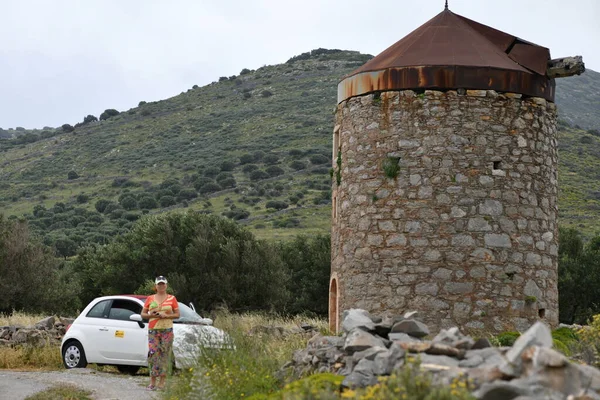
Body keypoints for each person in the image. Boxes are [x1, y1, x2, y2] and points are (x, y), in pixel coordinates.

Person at [141, 275, 180, 391]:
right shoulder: (150, 298)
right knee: (153, 354)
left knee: (165, 355)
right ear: (155, 286)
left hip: (167, 329)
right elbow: (143, 314)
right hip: (153, 329)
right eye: (159, 284)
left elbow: (177, 315)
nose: (161, 286)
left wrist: (167, 315)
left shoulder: (172, 298)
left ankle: (162, 382)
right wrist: (151, 315)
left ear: (166, 286)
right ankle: (152, 382)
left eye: (163, 284)